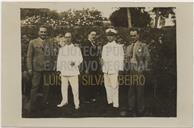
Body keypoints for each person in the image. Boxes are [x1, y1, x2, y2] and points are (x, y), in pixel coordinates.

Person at [27, 25, 57, 113]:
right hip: (36, 68)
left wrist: (53, 65)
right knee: (35, 86)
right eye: (41, 32)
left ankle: (43, 105)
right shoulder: (32, 42)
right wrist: (29, 68)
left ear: (46, 33)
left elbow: (52, 55)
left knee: (46, 87)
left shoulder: (50, 42)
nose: (43, 33)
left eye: (45, 32)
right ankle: (32, 106)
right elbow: (29, 56)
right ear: (38, 32)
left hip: (47, 69)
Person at [126, 28, 150, 116]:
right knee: (131, 89)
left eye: (134, 35)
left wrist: (143, 68)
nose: (132, 37)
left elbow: (147, 58)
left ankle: (140, 109)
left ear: (138, 35)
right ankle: (131, 108)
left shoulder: (143, 46)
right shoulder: (128, 47)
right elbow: (127, 59)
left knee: (140, 90)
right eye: (131, 36)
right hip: (131, 69)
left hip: (139, 69)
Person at [57, 32, 83, 110]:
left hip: (73, 72)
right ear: (64, 38)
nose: (67, 39)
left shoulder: (76, 49)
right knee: (63, 88)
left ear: (71, 38)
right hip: (64, 72)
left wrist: (75, 63)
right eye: (66, 37)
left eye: (69, 37)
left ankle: (76, 103)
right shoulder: (61, 49)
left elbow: (80, 59)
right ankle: (64, 101)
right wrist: (59, 70)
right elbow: (59, 60)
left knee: (75, 89)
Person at [101, 28, 124, 111]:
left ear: (114, 37)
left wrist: (120, 70)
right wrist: (103, 67)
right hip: (106, 69)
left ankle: (115, 104)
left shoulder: (118, 47)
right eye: (108, 36)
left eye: (111, 36)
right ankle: (110, 101)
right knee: (107, 86)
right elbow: (103, 58)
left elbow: (121, 59)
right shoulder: (105, 47)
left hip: (114, 70)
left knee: (114, 86)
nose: (109, 37)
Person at [80, 31, 102, 103]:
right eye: (92, 35)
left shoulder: (93, 44)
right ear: (88, 35)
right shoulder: (86, 44)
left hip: (94, 66)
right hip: (88, 66)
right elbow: (85, 57)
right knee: (88, 82)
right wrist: (86, 68)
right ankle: (87, 98)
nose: (94, 36)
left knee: (93, 81)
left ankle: (92, 97)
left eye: (95, 35)